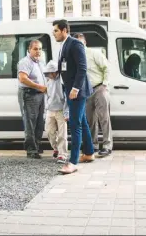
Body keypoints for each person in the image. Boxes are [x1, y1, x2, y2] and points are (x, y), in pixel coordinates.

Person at [53, 19, 94, 174]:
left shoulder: (75, 44)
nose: (54, 33)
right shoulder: (64, 45)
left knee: (75, 125)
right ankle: (89, 153)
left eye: (56, 30)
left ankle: (73, 162)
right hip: (70, 89)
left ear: (64, 30)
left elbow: (82, 68)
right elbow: (66, 66)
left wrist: (75, 88)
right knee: (81, 122)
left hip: (76, 91)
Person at [74, 33, 113, 156]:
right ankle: (93, 145)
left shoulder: (94, 54)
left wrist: (104, 85)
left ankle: (107, 146)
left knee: (104, 118)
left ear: (85, 43)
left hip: (99, 88)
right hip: (85, 91)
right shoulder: (75, 57)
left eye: (81, 42)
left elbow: (107, 68)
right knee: (89, 120)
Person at [17, 40, 47, 159]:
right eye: (35, 49)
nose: (38, 51)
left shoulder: (40, 62)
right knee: (30, 122)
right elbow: (23, 79)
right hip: (29, 95)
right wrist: (39, 86)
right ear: (29, 50)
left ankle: (36, 146)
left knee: (40, 122)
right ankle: (31, 150)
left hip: (40, 95)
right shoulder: (25, 62)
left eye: (40, 49)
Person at [43, 60, 69, 164]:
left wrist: (67, 112)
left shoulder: (62, 80)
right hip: (50, 110)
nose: (49, 74)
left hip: (61, 110)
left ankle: (62, 154)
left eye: (51, 72)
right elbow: (47, 95)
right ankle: (56, 148)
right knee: (49, 132)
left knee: (63, 134)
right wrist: (46, 110)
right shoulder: (48, 80)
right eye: (48, 73)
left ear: (56, 71)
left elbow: (67, 97)